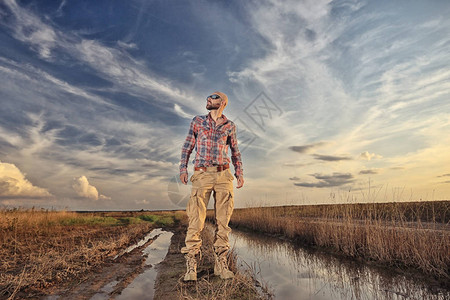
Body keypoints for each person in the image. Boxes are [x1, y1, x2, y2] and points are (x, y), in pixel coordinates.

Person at [179, 91, 244, 281]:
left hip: (224, 175)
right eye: (208, 97)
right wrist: (183, 168)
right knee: (196, 220)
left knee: (223, 222)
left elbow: (235, 152)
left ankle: (221, 264)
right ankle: (191, 265)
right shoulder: (197, 122)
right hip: (201, 174)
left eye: (213, 97)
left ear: (223, 102)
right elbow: (187, 147)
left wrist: (239, 173)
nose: (208, 99)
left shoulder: (230, 126)